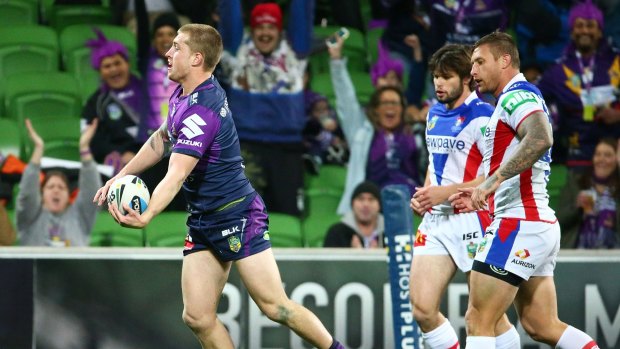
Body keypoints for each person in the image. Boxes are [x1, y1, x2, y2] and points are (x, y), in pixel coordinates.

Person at [93, 24, 344, 349]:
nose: (167, 54)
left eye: (176, 48)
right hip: (204, 219)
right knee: (197, 316)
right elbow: (160, 139)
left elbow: (176, 174)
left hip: (236, 216)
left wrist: (149, 214)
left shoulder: (203, 109)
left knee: (275, 307)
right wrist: (119, 176)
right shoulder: (184, 93)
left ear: (196, 58)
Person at [449, 31, 599, 349]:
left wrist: (492, 182)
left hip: (519, 223)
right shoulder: (512, 99)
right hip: (536, 222)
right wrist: (480, 189)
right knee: (540, 325)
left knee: (479, 320)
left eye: (479, 61)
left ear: (505, 60)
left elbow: (542, 135)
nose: (472, 71)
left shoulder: (517, 95)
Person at [408, 43, 519, 349]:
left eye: (446, 77)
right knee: (422, 308)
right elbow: (435, 164)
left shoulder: (485, 117)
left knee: (490, 317)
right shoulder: (433, 114)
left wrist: (445, 192)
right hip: (436, 223)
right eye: (435, 77)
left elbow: (497, 174)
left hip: (475, 220)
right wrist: (425, 193)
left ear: (466, 78)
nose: (438, 84)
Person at [217, 1, 312, 216]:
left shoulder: (296, 51)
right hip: (246, 148)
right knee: (241, 217)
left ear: (280, 31)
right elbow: (229, 13)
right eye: (260, 27)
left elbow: (302, 11)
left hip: (287, 150)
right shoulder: (236, 49)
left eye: (271, 27)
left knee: (290, 218)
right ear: (251, 29)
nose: (265, 33)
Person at [327, 35, 421, 215]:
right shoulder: (362, 131)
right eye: (385, 103)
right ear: (375, 110)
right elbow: (346, 100)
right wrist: (337, 61)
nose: (390, 108)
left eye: (395, 103)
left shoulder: (415, 133)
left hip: (412, 205)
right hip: (371, 207)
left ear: (403, 108)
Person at [537, 0, 620, 172]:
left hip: (614, 153)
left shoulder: (616, 61)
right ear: (572, 30)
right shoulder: (558, 70)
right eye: (579, 25)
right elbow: (533, 96)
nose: (585, 30)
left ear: (599, 31)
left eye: (590, 26)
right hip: (578, 157)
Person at [16, 119, 101, 247]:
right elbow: (27, 193)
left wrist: (84, 148)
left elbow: (92, 190)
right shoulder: (30, 217)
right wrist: (39, 149)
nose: (56, 190)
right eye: (50, 187)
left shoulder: (79, 216)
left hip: (73, 268)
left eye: (61, 187)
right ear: (41, 194)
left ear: (68, 196)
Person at [556, 137, 620, 248]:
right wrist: (577, 208)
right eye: (598, 154)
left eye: (608, 155)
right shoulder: (576, 183)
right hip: (578, 253)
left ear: (617, 160)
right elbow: (558, 221)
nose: (601, 159)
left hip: (614, 254)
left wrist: (614, 221)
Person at [323, 181, 384, 248]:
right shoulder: (337, 232)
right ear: (352, 204)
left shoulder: (390, 233)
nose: (366, 204)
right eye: (361, 199)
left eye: (371, 199)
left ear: (379, 205)